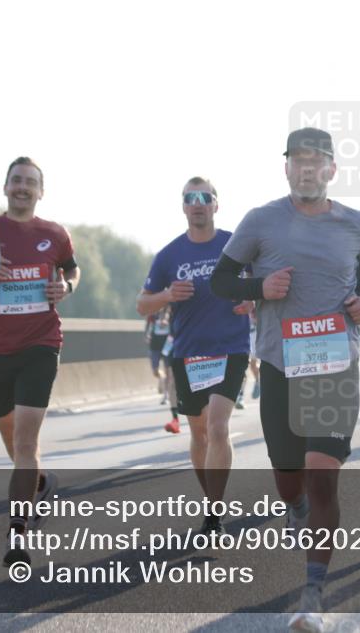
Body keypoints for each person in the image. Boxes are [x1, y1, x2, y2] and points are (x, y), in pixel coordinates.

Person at [211, 127, 360, 632]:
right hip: (279, 364)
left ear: (332, 170)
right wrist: (259, 286)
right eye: (299, 161)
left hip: (333, 363)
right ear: (286, 167)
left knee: (322, 472)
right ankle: (297, 509)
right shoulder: (260, 221)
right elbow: (222, 280)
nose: (308, 170)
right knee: (289, 480)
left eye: (318, 162)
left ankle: (313, 596)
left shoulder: (356, 223)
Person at [0, 157, 79, 566]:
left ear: (41, 191)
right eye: (16, 180)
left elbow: (72, 270)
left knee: (26, 441)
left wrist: (65, 286)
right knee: (14, 443)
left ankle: (17, 536)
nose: (22, 187)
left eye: (30, 182)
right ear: (5, 186)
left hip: (41, 344)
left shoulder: (55, 234)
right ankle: (41, 482)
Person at [137, 177, 252, 535]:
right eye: (191, 198)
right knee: (199, 433)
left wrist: (252, 298)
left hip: (231, 348)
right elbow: (143, 305)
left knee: (218, 427)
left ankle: (214, 512)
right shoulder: (169, 255)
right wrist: (168, 295)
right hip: (188, 355)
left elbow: (261, 285)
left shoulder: (235, 246)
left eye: (205, 197)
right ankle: (211, 501)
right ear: (183, 206)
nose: (198, 203)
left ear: (216, 204)